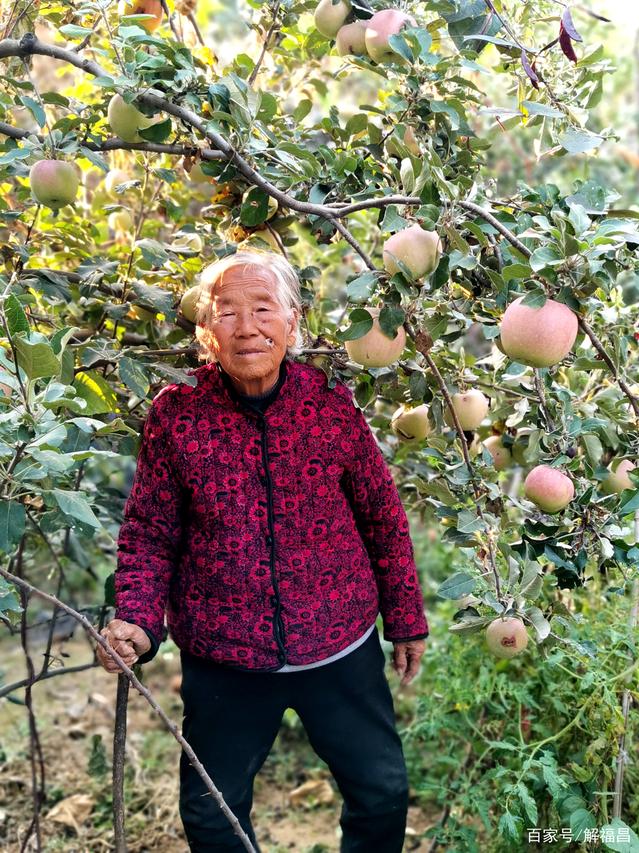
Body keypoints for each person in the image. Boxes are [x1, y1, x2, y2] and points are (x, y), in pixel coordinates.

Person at [97, 249, 430, 852]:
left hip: (339, 646)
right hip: (225, 657)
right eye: (226, 312)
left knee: (380, 795)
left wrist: (405, 617)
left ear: (293, 322)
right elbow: (149, 532)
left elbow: (381, 515)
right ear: (205, 331)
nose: (246, 327)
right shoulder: (175, 416)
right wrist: (138, 624)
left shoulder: (330, 405)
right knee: (211, 815)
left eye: (262, 308)